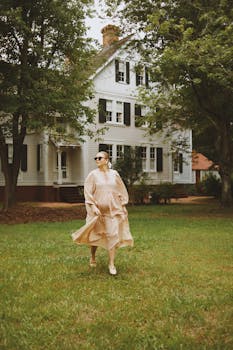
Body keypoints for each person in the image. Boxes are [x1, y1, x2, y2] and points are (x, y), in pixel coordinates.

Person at [72, 151, 133, 275]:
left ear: (106, 160)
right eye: (95, 158)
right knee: (96, 236)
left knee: (112, 235)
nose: (97, 160)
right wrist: (93, 207)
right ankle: (93, 256)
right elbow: (88, 192)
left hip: (113, 210)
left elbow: (121, 189)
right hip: (98, 212)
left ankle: (111, 264)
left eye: (99, 158)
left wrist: (123, 204)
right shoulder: (93, 175)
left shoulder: (114, 174)